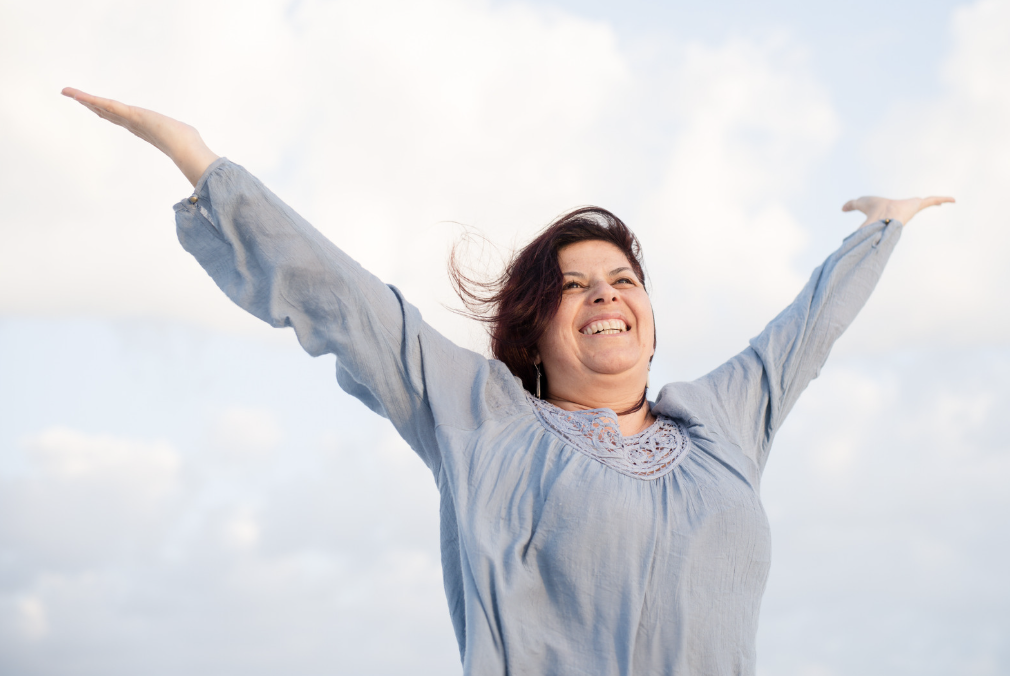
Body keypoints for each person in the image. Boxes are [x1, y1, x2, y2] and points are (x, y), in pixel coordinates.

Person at [63, 87, 953, 675]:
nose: (604, 293)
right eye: (573, 286)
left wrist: (883, 229)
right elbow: (350, 305)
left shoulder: (723, 422)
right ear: (535, 329)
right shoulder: (483, 421)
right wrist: (202, 165)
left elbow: (806, 330)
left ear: (647, 316)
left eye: (622, 280)